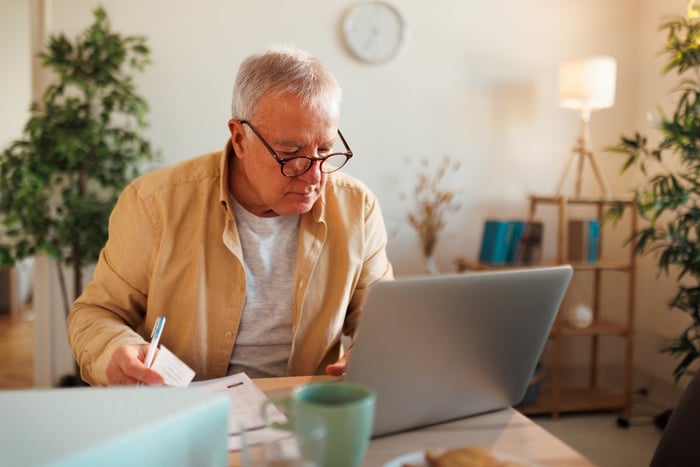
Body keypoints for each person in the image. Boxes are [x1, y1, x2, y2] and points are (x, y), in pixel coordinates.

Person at [67, 45, 393, 386]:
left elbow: (384, 322)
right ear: (239, 138)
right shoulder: (154, 204)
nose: (314, 177)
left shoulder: (358, 208)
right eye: (290, 154)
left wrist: (374, 350)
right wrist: (117, 348)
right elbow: (96, 314)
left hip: (307, 412)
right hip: (187, 409)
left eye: (325, 150)